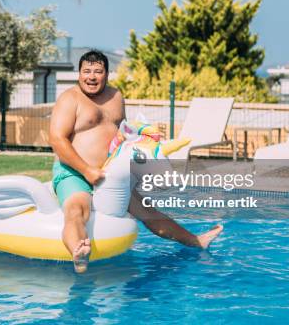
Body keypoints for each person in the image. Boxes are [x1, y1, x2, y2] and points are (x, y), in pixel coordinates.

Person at [49, 50, 223, 273]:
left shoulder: (116, 97)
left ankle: (196, 240)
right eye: (86, 71)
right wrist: (86, 169)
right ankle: (79, 252)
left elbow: (123, 134)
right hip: (74, 172)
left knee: (148, 211)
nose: (91, 77)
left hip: (107, 175)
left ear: (107, 74)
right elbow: (56, 139)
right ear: (79, 74)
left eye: (98, 71)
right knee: (76, 210)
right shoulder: (70, 98)